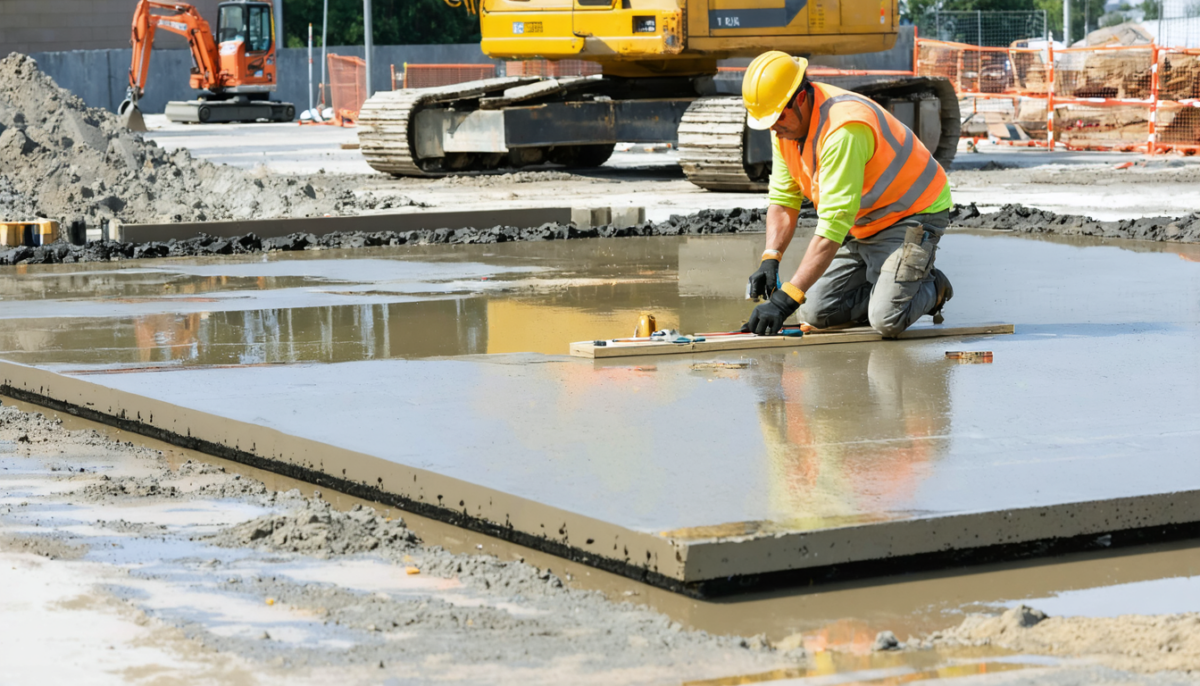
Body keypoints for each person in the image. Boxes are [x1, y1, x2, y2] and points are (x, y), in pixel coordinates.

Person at [741, 51, 954, 338]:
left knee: (886, 320)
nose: (773, 128)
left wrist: (782, 302)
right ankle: (890, 284)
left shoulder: (843, 130)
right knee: (815, 313)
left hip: (912, 214)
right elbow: (783, 199)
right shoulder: (784, 128)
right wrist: (770, 258)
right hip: (863, 222)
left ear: (800, 99)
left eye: (777, 118)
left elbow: (832, 228)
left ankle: (930, 285)